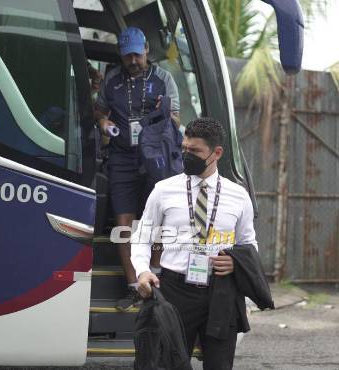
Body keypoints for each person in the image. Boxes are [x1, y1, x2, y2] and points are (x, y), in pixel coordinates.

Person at [131, 118, 258, 369]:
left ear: (217, 153)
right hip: (175, 290)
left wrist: (235, 262)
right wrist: (142, 270)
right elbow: (142, 236)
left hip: (221, 292)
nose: (187, 155)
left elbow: (248, 244)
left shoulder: (238, 196)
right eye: (185, 149)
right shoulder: (163, 190)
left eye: (196, 151)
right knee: (167, 362)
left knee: (220, 365)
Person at [94, 27, 180, 311]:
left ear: (146, 50)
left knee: (156, 221)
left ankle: (155, 278)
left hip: (155, 157)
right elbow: (100, 112)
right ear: (121, 54)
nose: (133, 59)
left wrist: (163, 111)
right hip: (122, 158)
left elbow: (177, 119)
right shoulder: (112, 81)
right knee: (124, 226)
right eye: (127, 54)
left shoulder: (163, 78)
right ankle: (134, 287)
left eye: (137, 53)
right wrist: (104, 123)